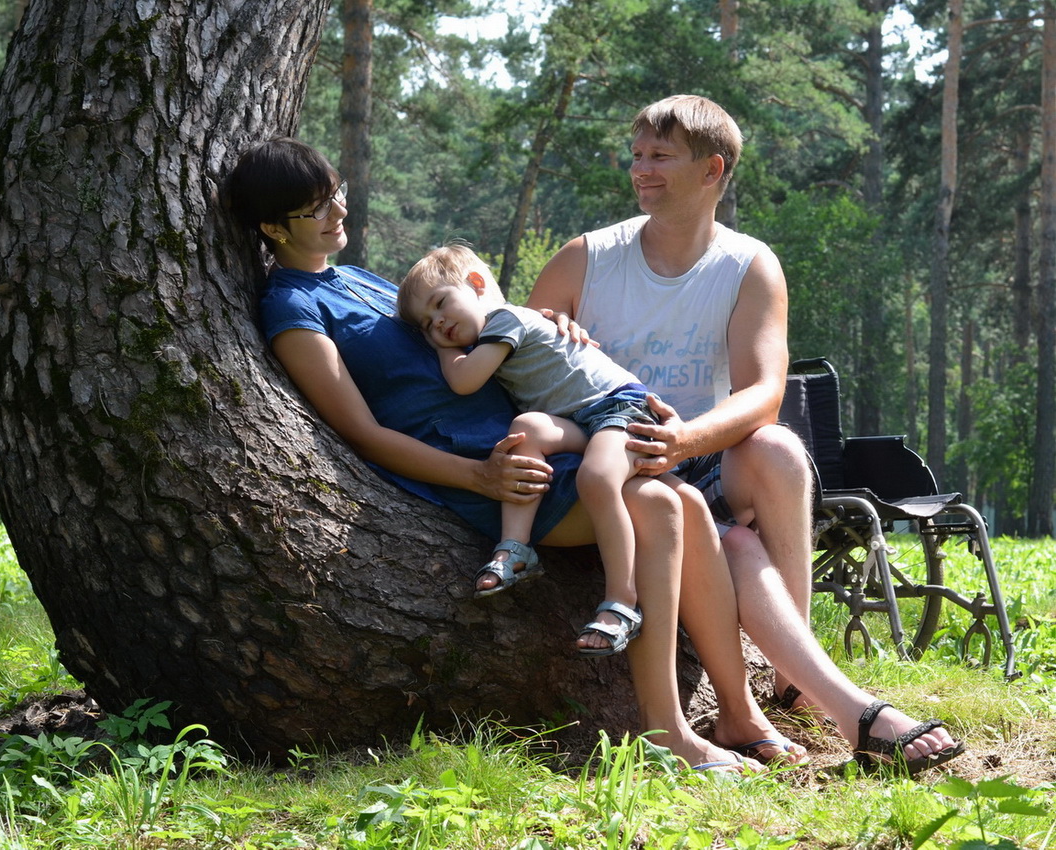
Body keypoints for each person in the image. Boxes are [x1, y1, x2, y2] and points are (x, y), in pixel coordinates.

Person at [226, 136, 808, 774]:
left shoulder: (360, 279)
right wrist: (479, 474)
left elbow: (479, 330)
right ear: (271, 227)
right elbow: (361, 433)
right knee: (666, 509)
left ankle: (736, 712)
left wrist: (556, 334)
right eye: (316, 208)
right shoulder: (293, 309)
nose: (338, 211)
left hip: (532, 439)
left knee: (686, 502)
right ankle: (666, 729)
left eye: (335, 192)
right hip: (481, 468)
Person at [527, 94, 966, 773]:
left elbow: (763, 392)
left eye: (661, 157)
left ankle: (792, 680)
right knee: (729, 537)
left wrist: (686, 441)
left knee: (779, 450)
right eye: (638, 155)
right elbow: (516, 366)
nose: (641, 170)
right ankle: (846, 711)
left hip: (694, 452)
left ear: (712, 170)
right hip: (608, 461)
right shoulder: (585, 259)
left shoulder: (748, 263)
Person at [398, 243, 668, 656]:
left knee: (595, 477)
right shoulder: (495, 333)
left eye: (441, 304)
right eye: (428, 324)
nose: (439, 323)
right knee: (525, 432)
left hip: (622, 408)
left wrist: (442, 349)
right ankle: (516, 548)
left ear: (475, 284)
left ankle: (622, 603)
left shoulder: (505, 320)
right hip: (584, 419)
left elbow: (464, 381)